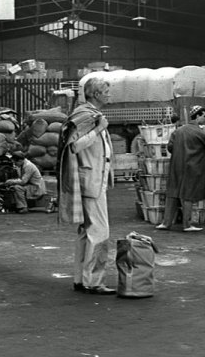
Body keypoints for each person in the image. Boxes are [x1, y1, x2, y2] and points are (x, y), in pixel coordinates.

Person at [58, 77, 116, 295]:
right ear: (96, 94)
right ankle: (94, 280)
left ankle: (81, 279)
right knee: (99, 232)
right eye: (107, 91)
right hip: (90, 181)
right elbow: (74, 146)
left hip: (92, 179)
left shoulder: (89, 114)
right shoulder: (88, 117)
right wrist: (99, 129)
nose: (110, 95)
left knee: (86, 231)